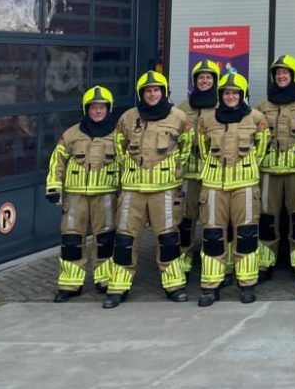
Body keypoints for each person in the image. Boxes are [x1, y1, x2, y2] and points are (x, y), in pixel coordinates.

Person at [105, 71, 193, 308]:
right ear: (141, 93)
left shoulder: (178, 118)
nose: (152, 94)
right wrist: (130, 169)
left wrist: (173, 169)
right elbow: (118, 146)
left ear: (163, 92)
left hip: (164, 190)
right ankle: (118, 288)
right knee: (124, 239)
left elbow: (187, 147)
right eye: (147, 90)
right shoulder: (128, 117)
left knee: (168, 239)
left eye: (156, 90)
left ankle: (174, 285)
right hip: (132, 190)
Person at [194, 73, 270, 306]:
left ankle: (246, 284)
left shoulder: (256, 118)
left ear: (242, 95)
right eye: (226, 93)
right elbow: (203, 149)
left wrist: (246, 170)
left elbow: (261, 148)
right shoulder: (207, 120)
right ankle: (211, 286)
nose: (230, 97)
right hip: (214, 185)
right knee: (213, 236)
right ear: (221, 95)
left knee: (246, 235)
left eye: (235, 93)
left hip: (245, 185)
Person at [46, 86, 120, 302]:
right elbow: (56, 161)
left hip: (106, 195)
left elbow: (127, 163)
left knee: (105, 240)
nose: (97, 111)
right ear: (86, 109)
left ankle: (104, 280)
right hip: (75, 196)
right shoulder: (71, 134)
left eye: (101, 107)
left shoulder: (118, 134)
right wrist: (53, 188)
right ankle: (70, 284)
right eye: (93, 107)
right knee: (71, 240)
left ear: (109, 109)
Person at [254, 55, 295, 281]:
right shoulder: (263, 105)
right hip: (269, 170)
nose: (281, 76)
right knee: (267, 218)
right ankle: (265, 263)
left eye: (285, 73)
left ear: (294, 75)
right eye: (278, 73)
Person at [179, 60, 221, 276]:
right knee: (186, 219)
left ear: (215, 81)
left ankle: (211, 258)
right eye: (201, 77)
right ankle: (184, 256)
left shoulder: (222, 105)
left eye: (209, 77)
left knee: (212, 219)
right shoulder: (182, 107)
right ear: (195, 81)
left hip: (213, 172)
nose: (205, 81)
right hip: (188, 172)